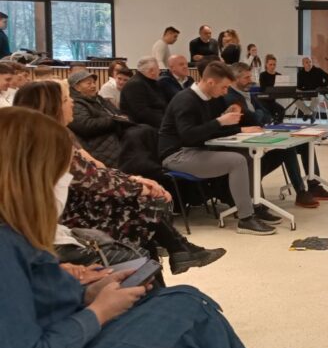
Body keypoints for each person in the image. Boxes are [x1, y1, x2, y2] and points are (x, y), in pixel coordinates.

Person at [0, 106, 312, 348]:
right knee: (187, 313)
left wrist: (83, 292)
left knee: (192, 336)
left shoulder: (12, 236)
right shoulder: (4, 247)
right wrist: (98, 312)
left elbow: (29, 305)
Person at [14, 81, 223, 275]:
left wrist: (135, 180)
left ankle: (176, 254)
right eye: (67, 99)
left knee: (142, 208)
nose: (72, 103)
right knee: (143, 207)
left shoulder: (58, 136)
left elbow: (95, 168)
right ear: (52, 107)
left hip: (76, 203)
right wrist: (139, 185)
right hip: (67, 215)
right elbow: (93, 178)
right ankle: (175, 253)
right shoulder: (49, 144)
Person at [159, 61, 279, 235]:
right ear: (210, 82)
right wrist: (220, 121)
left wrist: (237, 128)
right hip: (176, 155)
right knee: (237, 161)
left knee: (247, 155)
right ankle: (245, 219)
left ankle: (254, 205)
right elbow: (188, 136)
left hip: (197, 149)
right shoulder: (185, 100)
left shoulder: (208, 98)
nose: (225, 92)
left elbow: (211, 130)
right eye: (224, 87)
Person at [224, 63, 328, 209]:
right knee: (287, 147)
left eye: (250, 76)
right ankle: (300, 192)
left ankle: (314, 185)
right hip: (250, 146)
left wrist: (260, 116)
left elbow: (266, 115)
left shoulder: (248, 94)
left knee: (305, 142)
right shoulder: (231, 97)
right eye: (246, 78)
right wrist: (260, 116)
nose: (251, 81)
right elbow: (255, 118)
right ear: (234, 79)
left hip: (263, 136)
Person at [68, 68, 132, 166]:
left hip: (111, 131)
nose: (93, 86)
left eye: (94, 82)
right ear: (77, 87)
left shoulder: (97, 98)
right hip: (97, 140)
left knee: (143, 130)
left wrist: (121, 118)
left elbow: (115, 112)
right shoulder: (75, 103)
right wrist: (114, 121)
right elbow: (86, 126)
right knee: (137, 135)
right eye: (89, 83)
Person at [120, 56, 168, 129]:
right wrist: (167, 124)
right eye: (158, 68)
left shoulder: (151, 82)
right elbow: (143, 113)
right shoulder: (135, 84)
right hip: (142, 127)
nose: (160, 71)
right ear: (151, 71)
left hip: (157, 123)